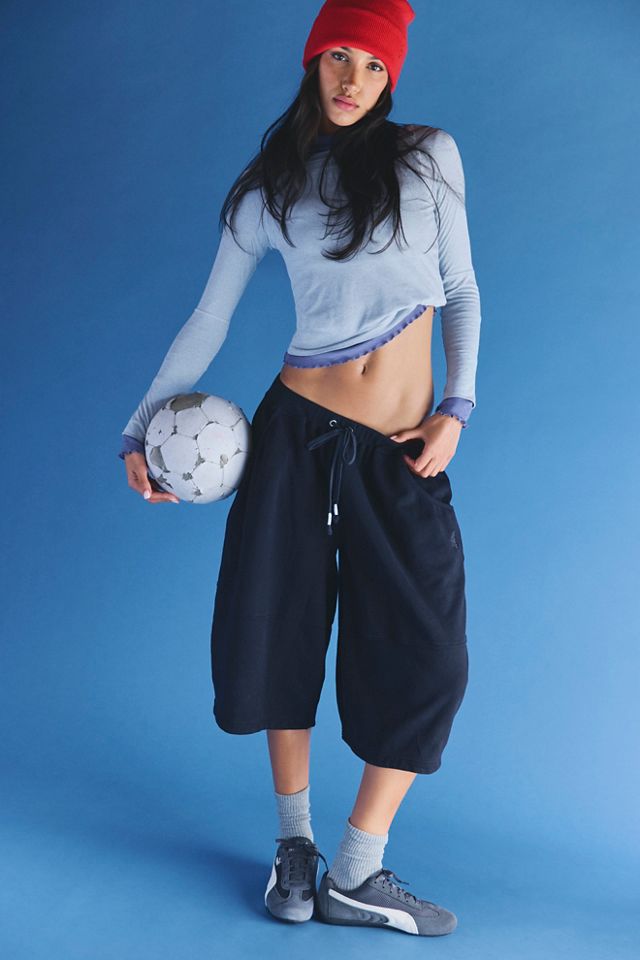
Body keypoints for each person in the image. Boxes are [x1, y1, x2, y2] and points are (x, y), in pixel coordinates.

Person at [119, 0, 481, 938]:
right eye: (339, 56)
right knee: (281, 626)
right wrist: (139, 428)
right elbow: (209, 318)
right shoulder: (267, 188)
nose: (353, 79)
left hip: (402, 445)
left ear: (391, 76)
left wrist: (456, 407)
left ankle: (358, 866)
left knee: (427, 651)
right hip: (295, 432)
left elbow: (461, 290)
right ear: (313, 61)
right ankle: (296, 845)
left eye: (373, 64)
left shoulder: (427, 158)